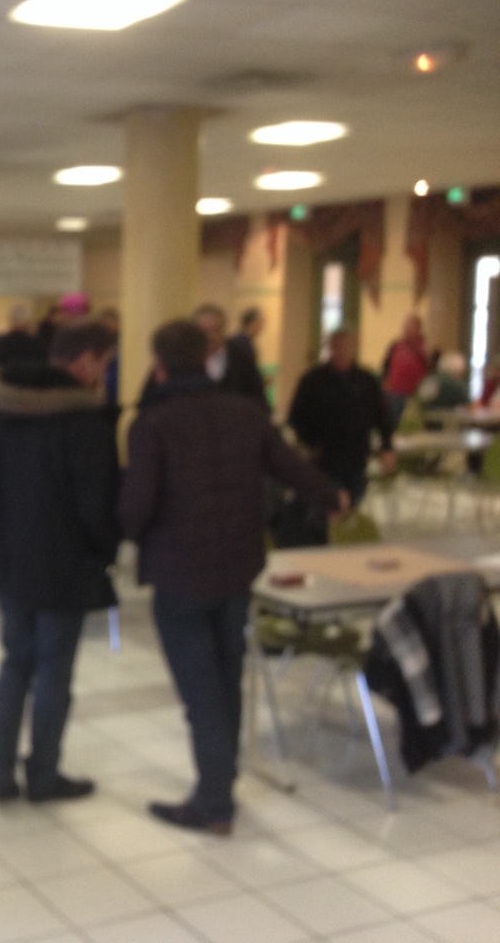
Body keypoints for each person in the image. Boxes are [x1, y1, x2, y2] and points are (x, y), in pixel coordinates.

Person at [119, 320, 344, 835]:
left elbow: (135, 509)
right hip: (238, 569)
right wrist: (332, 496)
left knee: (200, 692)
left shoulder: (152, 424)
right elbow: (291, 466)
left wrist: (125, 528)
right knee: (225, 679)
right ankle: (223, 783)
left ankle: (214, 801)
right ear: (207, 359)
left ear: (159, 366)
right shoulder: (247, 413)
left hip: (179, 575)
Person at [0, 320, 120, 801]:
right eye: (105, 363)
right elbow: (98, 504)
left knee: (16, 661)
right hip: (65, 564)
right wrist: (106, 550)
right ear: (85, 361)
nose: (104, 375)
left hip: (9, 560)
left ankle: (0, 769)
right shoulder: (83, 420)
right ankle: (44, 774)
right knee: (54, 670)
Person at [288, 325, 395, 506]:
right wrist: (311, 443)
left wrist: (386, 446)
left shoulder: (367, 381)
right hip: (323, 460)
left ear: (353, 348)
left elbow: (383, 416)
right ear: (330, 348)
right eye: (337, 346)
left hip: (356, 458)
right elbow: (296, 417)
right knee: (325, 508)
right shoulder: (312, 380)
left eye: (347, 346)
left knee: (352, 505)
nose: (342, 351)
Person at [138, 304, 266, 411]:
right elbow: (150, 399)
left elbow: (257, 397)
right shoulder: (176, 357)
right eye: (204, 331)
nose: (210, 336)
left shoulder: (240, 356)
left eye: (216, 330)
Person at [383, 314, 430, 424]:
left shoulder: (422, 349)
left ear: (418, 329)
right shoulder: (396, 346)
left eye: (411, 326)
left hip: (412, 396)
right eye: (406, 326)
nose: (407, 329)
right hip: (394, 393)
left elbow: (428, 371)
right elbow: (386, 367)